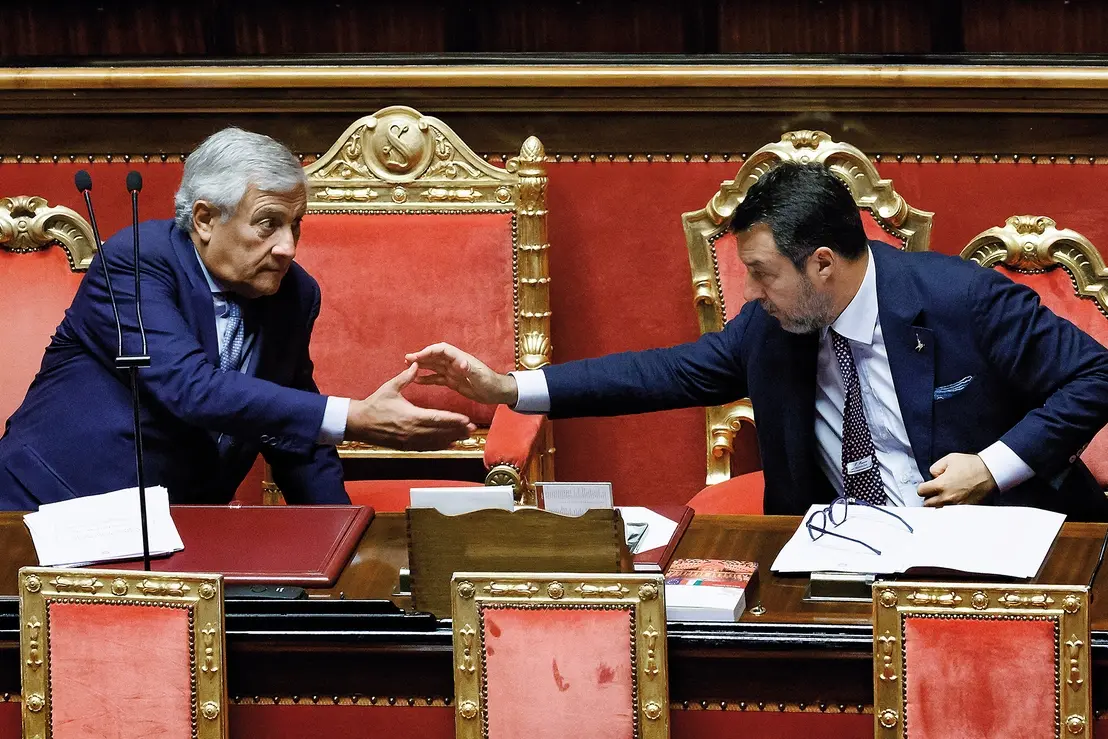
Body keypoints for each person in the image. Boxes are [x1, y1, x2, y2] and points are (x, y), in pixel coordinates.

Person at [407, 162, 1108, 520]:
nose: (749, 293)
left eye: (763, 274)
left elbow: (1096, 375)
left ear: (823, 264)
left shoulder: (964, 299)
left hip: (1001, 549)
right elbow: (660, 374)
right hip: (846, 562)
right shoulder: (772, 331)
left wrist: (991, 465)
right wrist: (509, 388)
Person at [0, 127, 473, 509]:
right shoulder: (137, 260)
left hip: (174, 533)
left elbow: (292, 434)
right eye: (268, 223)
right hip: (43, 509)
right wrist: (356, 417)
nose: (287, 247)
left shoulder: (295, 293)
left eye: (296, 225)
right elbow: (191, 389)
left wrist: (340, 538)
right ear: (205, 220)